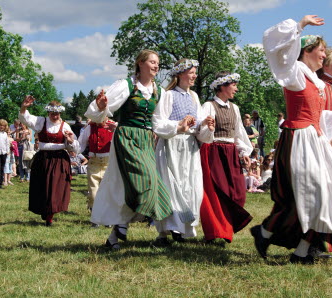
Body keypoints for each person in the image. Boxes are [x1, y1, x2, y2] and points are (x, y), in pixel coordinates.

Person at [250, 15, 332, 264]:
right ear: (307, 50)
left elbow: (316, 116)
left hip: (313, 140)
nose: (325, 55)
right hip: (298, 141)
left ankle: (301, 250)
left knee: (327, 195)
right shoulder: (294, 73)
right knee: (308, 196)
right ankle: (267, 234)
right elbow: (280, 53)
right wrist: (299, 26)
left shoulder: (315, 81)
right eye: (322, 50)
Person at [85, 49, 171, 249]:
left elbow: (158, 122)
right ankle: (124, 228)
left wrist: (178, 128)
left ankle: (116, 233)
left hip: (147, 139)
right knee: (143, 180)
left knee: (145, 184)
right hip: (127, 137)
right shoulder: (127, 85)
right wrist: (100, 106)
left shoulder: (159, 91)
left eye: (158, 63)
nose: (156, 66)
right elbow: (100, 113)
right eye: (152, 62)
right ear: (140, 63)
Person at [152, 58, 215, 245]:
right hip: (172, 146)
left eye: (195, 72)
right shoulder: (168, 95)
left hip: (189, 148)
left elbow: (199, 129)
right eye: (191, 72)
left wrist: (206, 126)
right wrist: (179, 126)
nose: (194, 76)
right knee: (171, 186)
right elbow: (159, 122)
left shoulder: (194, 97)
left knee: (190, 187)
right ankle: (166, 231)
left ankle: (184, 229)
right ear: (180, 74)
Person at [200, 71, 253, 246]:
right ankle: (218, 232)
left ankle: (226, 227)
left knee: (237, 193)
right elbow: (201, 132)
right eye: (234, 85)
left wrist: (244, 152)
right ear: (222, 86)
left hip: (230, 151)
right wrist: (208, 128)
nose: (236, 89)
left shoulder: (235, 108)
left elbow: (239, 133)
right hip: (214, 150)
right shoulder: (208, 106)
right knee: (217, 193)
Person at [19, 97, 80, 226]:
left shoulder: (65, 126)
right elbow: (25, 119)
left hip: (59, 159)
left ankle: (50, 216)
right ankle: (45, 210)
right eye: (52, 113)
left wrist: (70, 141)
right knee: (43, 186)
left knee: (55, 188)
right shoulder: (41, 122)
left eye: (57, 114)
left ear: (60, 114)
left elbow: (75, 148)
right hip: (44, 159)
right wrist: (24, 107)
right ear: (48, 113)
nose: (55, 116)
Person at [78, 117, 116, 226]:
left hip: (109, 163)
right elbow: (80, 144)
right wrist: (73, 148)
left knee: (108, 192)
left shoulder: (113, 125)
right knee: (93, 192)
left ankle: (107, 217)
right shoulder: (90, 127)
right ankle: (96, 218)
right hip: (94, 163)